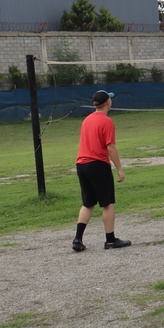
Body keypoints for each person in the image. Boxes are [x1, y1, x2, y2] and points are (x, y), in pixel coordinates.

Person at [72, 90, 130, 252]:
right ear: (107, 103)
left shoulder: (87, 120)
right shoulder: (106, 121)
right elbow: (110, 147)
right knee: (107, 203)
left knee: (88, 203)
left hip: (81, 165)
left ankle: (78, 239)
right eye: (110, 99)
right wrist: (119, 168)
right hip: (97, 165)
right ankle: (110, 239)